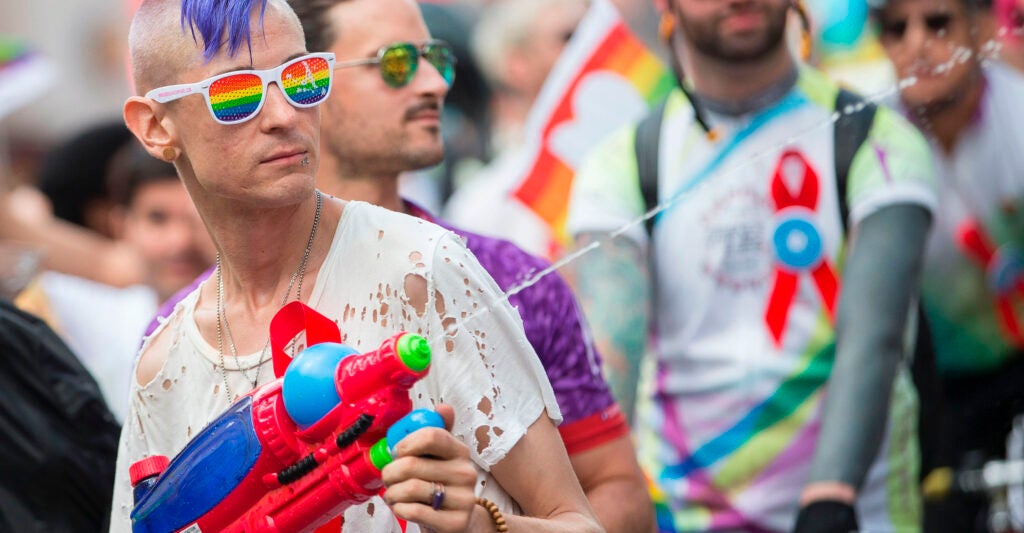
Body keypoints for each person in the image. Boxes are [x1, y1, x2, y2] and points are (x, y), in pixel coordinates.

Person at [111, 1, 604, 533]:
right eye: (237, 94)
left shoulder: (420, 270)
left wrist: (482, 526)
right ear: (156, 126)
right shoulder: (163, 363)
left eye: (302, 78)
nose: (283, 115)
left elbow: (580, 521)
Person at [565, 0, 938, 530]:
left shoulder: (875, 138)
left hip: (854, 511)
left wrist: (829, 497)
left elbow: (874, 340)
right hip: (685, 516)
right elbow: (609, 365)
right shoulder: (621, 163)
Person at [285, 0, 654, 531]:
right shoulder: (217, 313)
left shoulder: (515, 280)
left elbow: (615, 493)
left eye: (435, 58)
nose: (435, 83)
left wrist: (484, 522)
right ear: (304, 87)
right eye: (395, 64)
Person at [873, 0, 1024, 529]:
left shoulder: (1020, 116)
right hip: (938, 385)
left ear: (980, 29)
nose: (916, 44)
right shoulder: (868, 139)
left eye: (938, 23)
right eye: (895, 29)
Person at [14, 141, 214, 422]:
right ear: (121, 225)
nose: (179, 241)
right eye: (158, 219)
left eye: (197, 217)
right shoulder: (104, 313)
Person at [442, 0, 589, 259]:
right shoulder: (481, 206)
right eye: (569, 36)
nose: (593, 44)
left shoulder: (641, 148)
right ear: (517, 64)